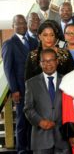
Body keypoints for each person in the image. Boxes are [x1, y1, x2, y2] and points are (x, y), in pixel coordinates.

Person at [1, 14, 38, 154]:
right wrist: (14, 90)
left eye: (24, 23)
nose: (22, 26)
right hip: (20, 91)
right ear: (13, 26)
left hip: (35, 89)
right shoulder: (9, 44)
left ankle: (31, 147)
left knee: (32, 121)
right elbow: (8, 69)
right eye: (18, 23)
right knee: (22, 122)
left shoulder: (33, 42)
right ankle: (22, 149)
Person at [24, 49, 70, 154]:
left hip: (63, 138)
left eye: (51, 60)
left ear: (57, 61)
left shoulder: (67, 80)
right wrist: (39, 121)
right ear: (40, 63)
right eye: (44, 61)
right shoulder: (31, 83)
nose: (47, 64)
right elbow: (28, 108)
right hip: (41, 139)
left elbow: (73, 107)